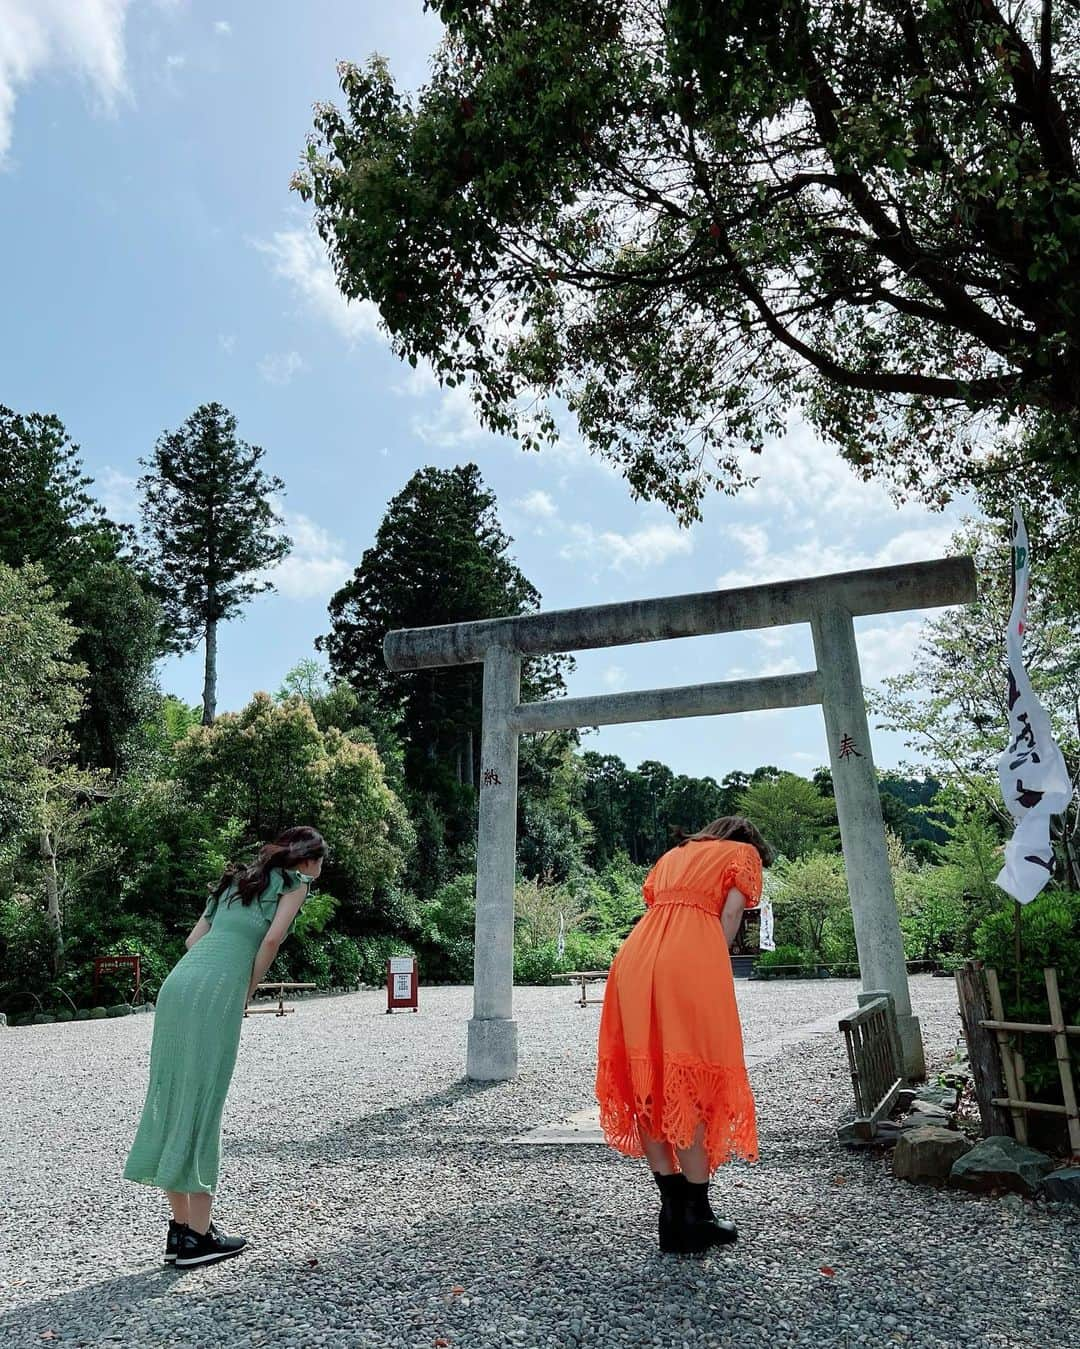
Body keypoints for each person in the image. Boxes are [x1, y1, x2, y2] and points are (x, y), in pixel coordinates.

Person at [124, 825, 326, 1268]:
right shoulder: (295, 885)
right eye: (319, 863)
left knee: (173, 1097)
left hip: (179, 984)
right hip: (216, 990)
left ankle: (182, 1232)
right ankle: (197, 1237)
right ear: (308, 861)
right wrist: (246, 989)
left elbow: (193, 941)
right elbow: (270, 941)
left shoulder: (234, 881)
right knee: (204, 1100)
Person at [595, 816, 771, 1254]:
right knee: (690, 1082)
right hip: (688, 960)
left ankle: (672, 1213)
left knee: (651, 1080)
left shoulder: (673, 855)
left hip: (636, 957)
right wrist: (714, 962)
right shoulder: (741, 853)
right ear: (745, 839)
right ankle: (697, 1213)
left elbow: (657, 905)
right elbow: (730, 915)